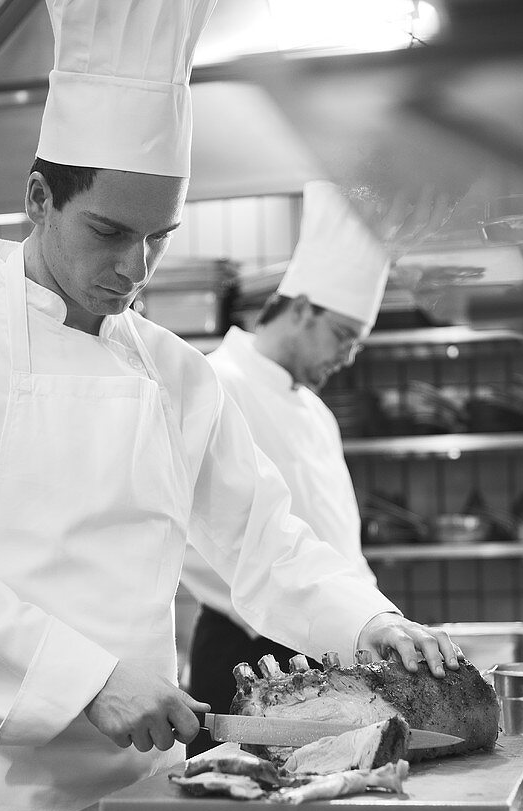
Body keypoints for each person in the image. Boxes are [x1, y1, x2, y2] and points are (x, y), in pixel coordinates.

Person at [0, 0, 458, 811]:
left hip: (135, 791)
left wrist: (368, 622)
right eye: (109, 232)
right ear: (39, 198)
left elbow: (262, 541)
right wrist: (84, 679)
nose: (134, 268)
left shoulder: (172, 371)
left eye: (160, 239)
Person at [181, 179, 390, 738]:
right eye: (343, 337)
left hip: (335, 645)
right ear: (301, 309)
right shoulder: (214, 381)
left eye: (356, 346)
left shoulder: (317, 412)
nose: (346, 359)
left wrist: (374, 620)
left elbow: (340, 543)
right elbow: (203, 541)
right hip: (246, 650)